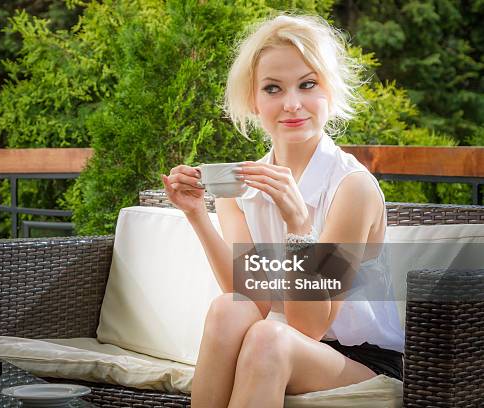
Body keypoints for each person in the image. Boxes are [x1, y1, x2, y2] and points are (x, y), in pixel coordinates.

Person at [161, 12, 404, 408]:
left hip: (361, 359)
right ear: (254, 101)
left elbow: (309, 326)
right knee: (229, 309)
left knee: (269, 338)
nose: (292, 105)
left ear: (329, 91)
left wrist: (298, 224)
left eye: (308, 85)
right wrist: (196, 215)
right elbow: (249, 296)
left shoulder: (351, 187)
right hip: (284, 343)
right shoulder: (240, 188)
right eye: (273, 89)